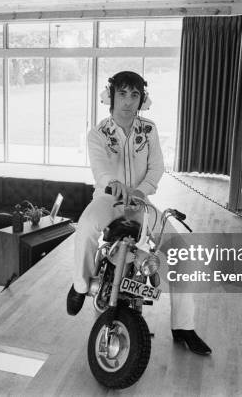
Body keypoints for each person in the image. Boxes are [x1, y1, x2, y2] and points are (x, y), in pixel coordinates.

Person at [66, 71, 211, 355]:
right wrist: (114, 184)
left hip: (141, 203)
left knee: (185, 255)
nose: (128, 101)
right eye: (123, 94)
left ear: (142, 99)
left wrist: (142, 191)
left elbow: (157, 167)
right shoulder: (98, 133)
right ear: (111, 97)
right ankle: (80, 286)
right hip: (108, 200)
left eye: (135, 95)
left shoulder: (150, 130)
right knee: (85, 228)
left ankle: (184, 327)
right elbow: (100, 168)